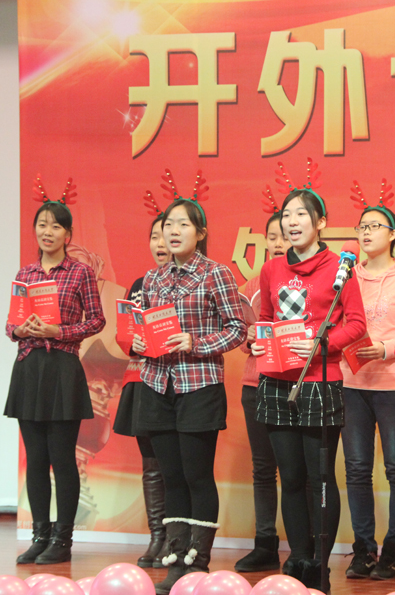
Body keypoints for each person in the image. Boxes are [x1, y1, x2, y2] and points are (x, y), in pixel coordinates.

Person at [133, 175, 247, 595]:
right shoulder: (152, 279)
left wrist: (194, 342)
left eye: (183, 224)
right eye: (168, 225)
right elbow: (144, 329)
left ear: (200, 233)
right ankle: (175, 558)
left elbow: (237, 329)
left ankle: (198, 560)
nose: (174, 231)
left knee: (197, 475)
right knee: (171, 476)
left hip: (198, 385)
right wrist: (140, 341)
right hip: (156, 384)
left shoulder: (216, 274)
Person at [251, 181, 367, 591]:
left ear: (321, 222)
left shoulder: (340, 268)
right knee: (290, 476)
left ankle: (320, 564)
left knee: (320, 478)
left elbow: (357, 324)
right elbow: (266, 318)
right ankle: (298, 558)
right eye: (287, 215)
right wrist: (258, 340)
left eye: (301, 214)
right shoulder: (271, 269)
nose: (292, 221)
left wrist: (322, 344)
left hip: (320, 380)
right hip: (276, 380)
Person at [8, 183, 106, 565]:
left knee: (62, 458)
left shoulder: (80, 272)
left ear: (68, 234)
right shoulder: (26, 273)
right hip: (29, 368)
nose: (46, 232)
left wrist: (59, 331)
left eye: (55, 226)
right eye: (41, 225)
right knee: (35, 459)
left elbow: (96, 320)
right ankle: (39, 536)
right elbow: (10, 323)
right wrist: (20, 329)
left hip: (63, 368)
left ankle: (62, 540)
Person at [342, 184, 395, 580]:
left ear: (394, 234)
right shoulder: (345, 276)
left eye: (375, 226)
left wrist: (387, 348)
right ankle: (363, 551)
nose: (367, 232)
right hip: (352, 383)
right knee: (356, 470)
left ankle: (393, 551)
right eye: (362, 227)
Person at [112, 205, 171, 569]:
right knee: (151, 465)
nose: (160, 243)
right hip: (142, 380)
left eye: (166, 235)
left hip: (178, 382)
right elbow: (125, 336)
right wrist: (132, 341)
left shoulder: (193, 283)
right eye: (154, 236)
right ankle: (157, 537)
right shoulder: (140, 284)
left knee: (175, 465)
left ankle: (176, 537)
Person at [234, 197, 285, 572]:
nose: (279, 242)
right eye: (273, 236)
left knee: (300, 470)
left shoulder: (307, 283)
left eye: (285, 235)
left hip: (296, 386)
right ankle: (265, 543)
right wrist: (248, 338)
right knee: (263, 468)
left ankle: (305, 547)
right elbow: (240, 335)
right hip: (256, 384)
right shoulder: (250, 286)